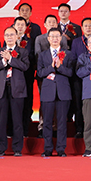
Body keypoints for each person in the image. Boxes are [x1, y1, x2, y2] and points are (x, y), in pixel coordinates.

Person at [0, 27, 30, 157]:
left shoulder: (23, 51)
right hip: (1, 89)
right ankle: (0, 148)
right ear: (4, 37)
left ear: (17, 37)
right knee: (1, 120)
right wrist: (4, 62)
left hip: (17, 89)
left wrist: (11, 59)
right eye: (7, 35)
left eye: (12, 35)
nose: (9, 37)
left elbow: (25, 66)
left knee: (17, 119)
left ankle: (17, 148)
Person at [37, 29, 74, 157]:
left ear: (61, 38)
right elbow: (40, 73)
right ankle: (47, 148)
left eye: (57, 36)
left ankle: (61, 149)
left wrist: (60, 67)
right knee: (47, 122)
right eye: (52, 36)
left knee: (62, 122)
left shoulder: (68, 54)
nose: (55, 39)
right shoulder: (42, 55)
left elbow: (71, 73)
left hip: (63, 91)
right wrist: (51, 67)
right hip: (48, 92)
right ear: (48, 38)